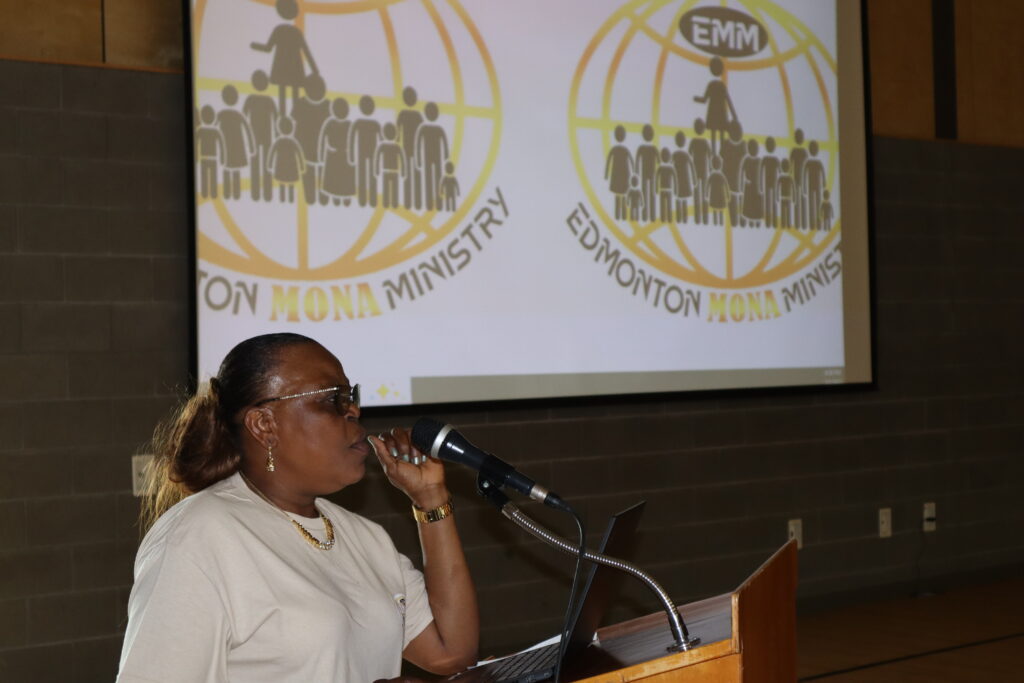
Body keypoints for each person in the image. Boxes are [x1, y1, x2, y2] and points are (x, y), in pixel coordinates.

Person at [117, 333, 478, 682]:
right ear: (264, 425)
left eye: (350, 396)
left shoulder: (365, 537)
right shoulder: (199, 535)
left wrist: (431, 499)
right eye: (332, 399)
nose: (353, 410)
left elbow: (450, 653)